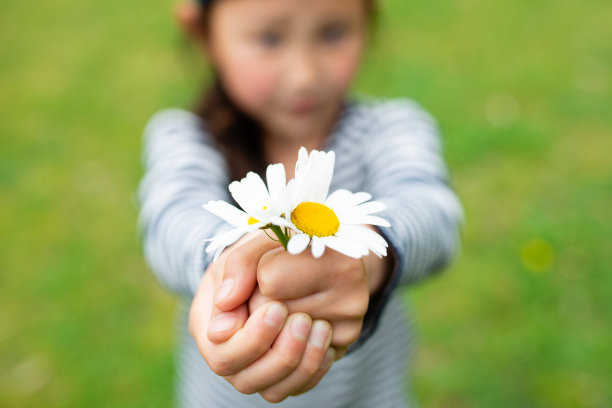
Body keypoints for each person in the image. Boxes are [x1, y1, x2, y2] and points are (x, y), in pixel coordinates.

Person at [138, 0, 464, 406]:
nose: (304, 75)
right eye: (269, 38)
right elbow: (170, 221)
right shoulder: (187, 138)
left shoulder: (389, 129)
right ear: (203, 34)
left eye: (333, 33)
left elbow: (431, 210)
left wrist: (366, 255)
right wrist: (232, 266)